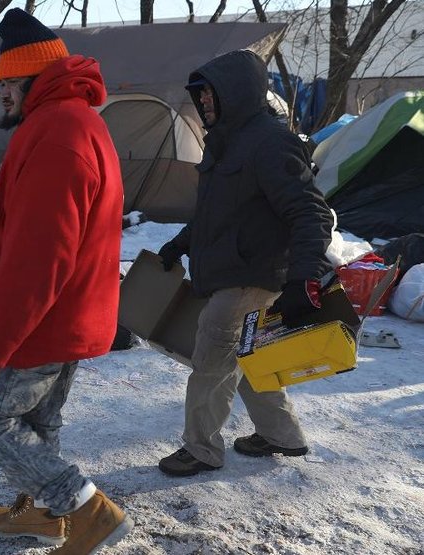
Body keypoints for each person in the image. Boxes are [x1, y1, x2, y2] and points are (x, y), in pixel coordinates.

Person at [0, 8, 132, 553]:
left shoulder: (56, 134)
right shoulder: (69, 123)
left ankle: (83, 507)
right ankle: (47, 514)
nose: (1, 92)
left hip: (44, 318)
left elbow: (40, 263)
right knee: (37, 419)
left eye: (8, 82)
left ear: (32, 78)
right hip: (67, 312)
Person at [156, 50, 335, 477]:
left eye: (210, 96)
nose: (203, 104)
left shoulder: (270, 142)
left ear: (235, 93)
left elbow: (311, 212)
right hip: (234, 270)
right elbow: (217, 213)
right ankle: (282, 435)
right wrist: (181, 243)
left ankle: (200, 449)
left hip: (251, 275)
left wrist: (304, 277)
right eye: (199, 98)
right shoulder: (227, 142)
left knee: (212, 363)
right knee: (252, 357)